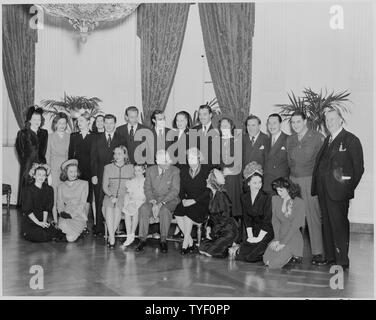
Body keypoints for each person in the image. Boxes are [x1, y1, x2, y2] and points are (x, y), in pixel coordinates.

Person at [312, 108, 364, 269]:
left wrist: (346, 189)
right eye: (327, 120)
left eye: (333, 119)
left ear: (341, 120)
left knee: (339, 225)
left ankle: (342, 260)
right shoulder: (328, 139)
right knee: (326, 224)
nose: (329, 123)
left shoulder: (351, 140)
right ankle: (330, 257)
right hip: (323, 192)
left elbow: (358, 169)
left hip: (338, 193)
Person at [286, 111, 326, 265]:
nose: (295, 125)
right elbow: (290, 162)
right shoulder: (290, 139)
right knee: (294, 218)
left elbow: (322, 162)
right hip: (293, 180)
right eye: (293, 122)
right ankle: (295, 252)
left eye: (298, 122)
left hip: (310, 180)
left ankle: (318, 252)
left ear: (305, 122)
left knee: (312, 216)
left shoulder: (317, 137)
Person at [136, 150, 180, 253]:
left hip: (169, 200)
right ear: (157, 162)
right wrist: (153, 202)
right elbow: (147, 189)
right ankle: (142, 239)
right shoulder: (150, 170)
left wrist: (161, 203)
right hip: (153, 199)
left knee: (164, 211)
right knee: (143, 209)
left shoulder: (175, 170)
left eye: (168, 161)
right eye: (164, 162)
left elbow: (175, 190)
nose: (167, 164)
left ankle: (163, 240)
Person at [235, 162, 273, 262]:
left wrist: (258, 238)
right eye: (255, 183)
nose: (258, 185)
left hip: (266, 231)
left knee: (251, 257)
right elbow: (247, 219)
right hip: (254, 231)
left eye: (260, 182)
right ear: (248, 182)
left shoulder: (267, 197)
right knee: (241, 255)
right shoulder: (244, 197)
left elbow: (267, 220)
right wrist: (251, 236)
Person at [174, 148, 211, 254]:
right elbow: (180, 189)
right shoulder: (184, 171)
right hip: (188, 200)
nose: (191, 160)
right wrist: (184, 199)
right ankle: (190, 241)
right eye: (189, 158)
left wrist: (194, 200)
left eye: (193, 158)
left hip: (201, 202)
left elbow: (208, 191)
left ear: (199, 159)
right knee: (177, 212)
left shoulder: (206, 170)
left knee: (188, 214)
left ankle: (185, 244)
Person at [263, 177, 305, 269]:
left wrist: (283, 243)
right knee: (266, 259)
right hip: (280, 234)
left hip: (292, 236)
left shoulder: (299, 202)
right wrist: (277, 239)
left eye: (281, 190)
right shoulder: (275, 199)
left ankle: (293, 254)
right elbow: (275, 221)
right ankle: (288, 255)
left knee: (274, 264)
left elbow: (295, 226)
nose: (278, 193)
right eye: (277, 190)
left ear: (288, 189)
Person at [90, 114, 121, 236]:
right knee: (99, 200)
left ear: (115, 124)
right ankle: (98, 228)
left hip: (114, 174)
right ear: (103, 124)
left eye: (111, 123)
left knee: (113, 199)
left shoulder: (120, 138)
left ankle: (113, 227)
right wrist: (94, 175)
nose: (108, 125)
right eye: (106, 123)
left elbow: (123, 157)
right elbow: (93, 158)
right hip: (99, 173)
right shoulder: (96, 138)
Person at [198, 169, 239, 258]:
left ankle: (232, 244)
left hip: (228, 230)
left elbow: (225, 219)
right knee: (202, 248)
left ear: (212, 182)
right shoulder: (211, 194)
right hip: (218, 230)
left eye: (208, 179)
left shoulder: (222, 196)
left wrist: (213, 232)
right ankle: (224, 246)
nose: (206, 180)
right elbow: (210, 215)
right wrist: (208, 227)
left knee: (209, 252)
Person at [21, 163, 64, 242]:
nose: (41, 177)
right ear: (34, 176)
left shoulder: (49, 189)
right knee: (40, 235)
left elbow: (46, 208)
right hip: (31, 221)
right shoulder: (28, 190)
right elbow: (28, 210)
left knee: (58, 233)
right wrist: (39, 223)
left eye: (44, 175)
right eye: (39, 174)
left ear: (46, 177)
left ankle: (51, 235)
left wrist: (43, 222)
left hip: (41, 220)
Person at [102, 146, 135, 249]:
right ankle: (112, 238)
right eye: (115, 154)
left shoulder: (131, 168)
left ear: (125, 154)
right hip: (110, 193)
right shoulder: (107, 167)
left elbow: (134, 184)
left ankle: (111, 238)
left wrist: (128, 196)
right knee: (108, 207)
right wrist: (111, 196)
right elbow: (104, 186)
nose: (116, 156)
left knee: (117, 209)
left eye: (119, 154)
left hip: (124, 195)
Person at [15, 106, 48, 206]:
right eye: (34, 119)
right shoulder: (23, 133)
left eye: (39, 119)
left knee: (40, 186)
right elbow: (20, 150)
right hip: (27, 165)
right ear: (30, 120)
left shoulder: (44, 133)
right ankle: (25, 208)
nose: (37, 121)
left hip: (41, 164)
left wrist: (41, 163)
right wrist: (27, 163)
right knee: (27, 186)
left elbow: (44, 149)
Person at [57, 159, 89, 242]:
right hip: (65, 214)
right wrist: (61, 213)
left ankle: (79, 232)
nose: (74, 174)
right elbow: (59, 203)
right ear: (66, 173)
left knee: (70, 239)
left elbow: (82, 203)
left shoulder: (84, 184)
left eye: (75, 171)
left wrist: (72, 215)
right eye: (71, 172)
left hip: (78, 215)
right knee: (63, 229)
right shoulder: (61, 186)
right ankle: (72, 234)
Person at [46, 112, 70, 223]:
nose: (62, 125)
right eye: (60, 123)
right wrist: (48, 173)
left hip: (67, 171)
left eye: (64, 123)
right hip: (54, 170)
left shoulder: (70, 136)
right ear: (55, 124)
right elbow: (47, 155)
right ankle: (56, 221)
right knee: (55, 197)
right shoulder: (50, 137)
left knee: (65, 197)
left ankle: (65, 221)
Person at [68, 112, 95, 209]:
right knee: (76, 194)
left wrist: (95, 172)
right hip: (77, 170)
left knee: (88, 195)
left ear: (88, 121)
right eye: (78, 121)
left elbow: (95, 156)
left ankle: (84, 220)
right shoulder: (74, 136)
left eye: (81, 120)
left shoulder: (94, 136)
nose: (79, 123)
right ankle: (76, 219)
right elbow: (70, 155)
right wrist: (70, 171)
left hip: (90, 170)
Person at [218, 117, 242, 218]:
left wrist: (230, 171)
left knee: (231, 201)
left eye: (226, 126)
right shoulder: (217, 141)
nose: (224, 128)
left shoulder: (237, 140)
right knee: (220, 203)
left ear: (231, 127)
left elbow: (240, 160)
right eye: (222, 126)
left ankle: (233, 229)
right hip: (220, 176)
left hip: (233, 176)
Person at [121, 164, 146, 248]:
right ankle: (129, 235)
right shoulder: (132, 181)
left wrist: (139, 201)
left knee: (135, 213)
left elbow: (147, 195)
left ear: (143, 171)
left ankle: (132, 233)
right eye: (135, 170)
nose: (136, 172)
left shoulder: (146, 181)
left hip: (142, 202)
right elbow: (130, 194)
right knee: (127, 211)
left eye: (139, 170)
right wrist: (131, 201)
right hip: (133, 201)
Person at [263, 114, 289, 194]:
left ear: (280, 124)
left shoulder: (288, 139)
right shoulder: (266, 140)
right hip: (267, 184)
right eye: (269, 123)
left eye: (274, 123)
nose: (271, 126)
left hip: (280, 185)